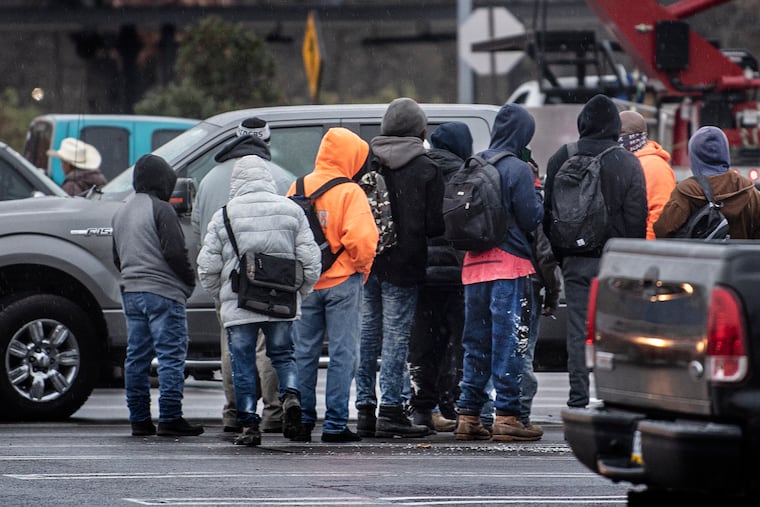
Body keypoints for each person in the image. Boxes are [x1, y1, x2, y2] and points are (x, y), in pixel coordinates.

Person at [196, 154, 321, 447]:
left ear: (236, 181)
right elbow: (310, 259)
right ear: (266, 177)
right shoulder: (291, 211)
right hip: (280, 299)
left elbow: (207, 266)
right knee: (283, 355)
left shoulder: (225, 214)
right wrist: (299, 292)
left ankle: (249, 425)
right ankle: (290, 395)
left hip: (240, 303)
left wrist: (221, 294)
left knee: (242, 362)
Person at [543, 94, 647, 410]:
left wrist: (563, 255)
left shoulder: (562, 157)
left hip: (575, 259)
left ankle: (577, 395)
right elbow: (636, 217)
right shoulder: (628, 162)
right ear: (615, 126)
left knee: (577, 330)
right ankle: (613, 395)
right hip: (614, 261)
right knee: (614, 330)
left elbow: (548, 214)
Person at [191, 117, 293, 434]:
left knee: (233, 348)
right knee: (269, 348)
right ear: (267, 140)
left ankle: (234, 412)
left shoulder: (208, 179)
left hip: (228, 282)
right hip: (272, 281)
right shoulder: (282, 178)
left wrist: (216, 285)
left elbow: (199, 232)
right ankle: (273, 411)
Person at [453, 103, 544, 442]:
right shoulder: (517, 169)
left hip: (473, 268)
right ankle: (507, 416)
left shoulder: (473, 163)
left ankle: (468, 415)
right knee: (510, 344)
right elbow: (532, 217)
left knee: (475, 343)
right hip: (510, 267)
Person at [355, 97, 445, 438]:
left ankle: (364, 407)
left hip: (368, 261)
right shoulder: (427, 168)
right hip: (405, 265)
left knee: (367, 334)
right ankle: (391, 409)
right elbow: (436, 225)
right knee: (396, 337)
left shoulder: (368, 164)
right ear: (418, 129)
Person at [287, 127, 379, 443]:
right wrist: (361, 270)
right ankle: (335, 424)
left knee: (303, 352)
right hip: (343, 282)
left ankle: (302, 419)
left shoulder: (296, 186)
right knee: (343, 353)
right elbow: (364, 241)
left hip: (306, 284)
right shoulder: (350, 192)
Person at [111, 153, 203, 438]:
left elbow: (117, 257)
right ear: (162, 182)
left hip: (131, 290)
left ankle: (139, 419)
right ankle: (170, 417)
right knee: (170, 356)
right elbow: (175, 251)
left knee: (136, 358)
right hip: (163, 292)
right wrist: (189, 281)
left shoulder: (121, 212)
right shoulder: (161, 209)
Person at [408, 121, 471, 433]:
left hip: (422, 270)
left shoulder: (418, 171)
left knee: (424, 340)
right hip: (458, 271)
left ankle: (422, 407)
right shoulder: (465, 172)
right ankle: (456, 406)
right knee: (459, 340)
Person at [654, 125, 760, 239]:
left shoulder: (686, 191)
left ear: (694, 156)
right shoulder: (748, 190)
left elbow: (662, 230)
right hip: (738, 256)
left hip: (699, 256)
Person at [519, 159, 562, 437]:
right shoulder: (533, 200)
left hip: (487, 277)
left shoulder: (498, 189)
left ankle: (480, 413)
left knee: (492, 347)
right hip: (526, 281)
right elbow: (545, 254)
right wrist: (553, 292)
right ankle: (518, 415)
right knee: (523, 348)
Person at [618, 110, 677, 239]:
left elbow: (660, 214)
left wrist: (646, 248)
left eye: (620, 133)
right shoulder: (627, 162)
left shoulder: (655, 167)